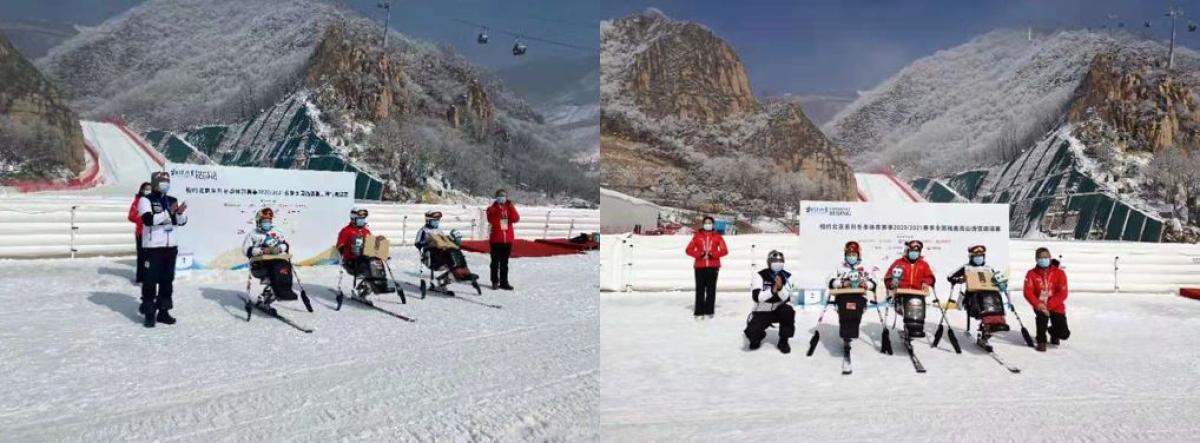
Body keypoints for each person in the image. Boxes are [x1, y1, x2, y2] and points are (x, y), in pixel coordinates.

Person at [137, 172, 187, 328]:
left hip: (170, 247)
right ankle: (149, 312)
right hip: (152, 248)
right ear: (155, 183)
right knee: (150, 281)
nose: (166, 183)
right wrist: (168, 212)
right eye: (162, 181)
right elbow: (148, 220)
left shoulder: (172, 200)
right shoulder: (146, 200)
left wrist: (179, 213)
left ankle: (163, 311)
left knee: (167, 281)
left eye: (167, 181)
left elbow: (181, 222)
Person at [946, 245, 1011, 348]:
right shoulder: (966, 267)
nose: (979, 257)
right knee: (982, 297)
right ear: (971, 256)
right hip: (972, 297)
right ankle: (988, 324)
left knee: (996, 295)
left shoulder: (989, 269)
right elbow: (950, 277)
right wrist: (960, 280)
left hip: (989, 295)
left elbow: (997, 281)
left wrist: (1001, 284)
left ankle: (998, 322)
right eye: (976, 255)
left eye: (981, 255)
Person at [744, 250, 797, 354]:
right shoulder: (759, 275)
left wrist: (781, 287)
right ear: (769, 262)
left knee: (788, 310)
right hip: (762, 310)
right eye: (774, 260)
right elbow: (757, 297)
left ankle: (783, 341)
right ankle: (759, 335)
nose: (778, 262)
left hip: (778, 309)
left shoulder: (788, 276)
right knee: (752, 335)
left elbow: (788, 298)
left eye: (780, 260)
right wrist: (772, 291)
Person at [826, 241, 875, 350]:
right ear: (845, 255)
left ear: (858, 255)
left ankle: (851, 333)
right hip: (843, 296)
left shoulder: (864, 267)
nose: (851, 257)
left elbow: (873, 283)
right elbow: (829, 281)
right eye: (849, 255)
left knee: (855, 311)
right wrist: (842, 283)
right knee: (846, 310)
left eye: (854, 255)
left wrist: (865, 284)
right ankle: (845, 335)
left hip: (859, 296)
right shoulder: (839, 266)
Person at [242, 207, 297, 303]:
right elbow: (245, 249)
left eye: (269, 221)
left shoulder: (276, 232)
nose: (267, 223)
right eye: (264, 221)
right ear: (259, 221)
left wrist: (279, 248)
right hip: (260, 265)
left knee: (285, 266)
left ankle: (286, 291)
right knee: (275, 268)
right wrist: (261, 250)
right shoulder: (253, 234)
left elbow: (285, 245)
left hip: (276, 261)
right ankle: (276, 292)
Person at [884, 240, 935, 338]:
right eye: (912, 250)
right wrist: (892, 284)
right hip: (902, 294)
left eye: (917, 251)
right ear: (907, 251)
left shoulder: (923, 264)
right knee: (908, 305)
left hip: (918, 294)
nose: (914, 253)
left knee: (918, 305)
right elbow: (888, 277)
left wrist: (926, 282)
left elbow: (930, 277)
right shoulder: (899, 263)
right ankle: (908, 326)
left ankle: (917, 327)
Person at [336, 206, 391, 295]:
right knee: (369, 262)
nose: (362, 220)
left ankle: (381, 284)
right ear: (353, 218)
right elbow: (339, 244)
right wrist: (342, 250)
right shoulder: (346, 231)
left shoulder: (366, 231)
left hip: (364, 259)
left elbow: (371, 245)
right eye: (359, 218)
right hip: (352, 262)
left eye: (363, 218)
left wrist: (379, 246)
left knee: (376, 260)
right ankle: (372, 285)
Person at [1023, 247, 1070, 352]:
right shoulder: (1031, 274)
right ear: (1036, 259)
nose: (1043, 259)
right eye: (1040, 258)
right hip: (1040, 304)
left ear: (1050, 257)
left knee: (1064, 333)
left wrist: (1048, 306)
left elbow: (1063, 292)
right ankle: (1041, 340)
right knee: (1041, 319)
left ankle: (1053, 333)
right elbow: (1028, 292)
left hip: (1056, 305)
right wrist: (1039, 305)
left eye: (1045, 257)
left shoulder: (1059, 273)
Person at [416, 211, 477, 287]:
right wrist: (428, 243)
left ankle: (465, 273)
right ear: (428, 220)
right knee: (451, 252)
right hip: (432, 257)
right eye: (434, 220)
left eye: (438, 220)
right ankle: (459, 275)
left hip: (442, 254)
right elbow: (417, 243)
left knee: (456, 251)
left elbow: (443, 241)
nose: (437, 222)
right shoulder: (423, 231)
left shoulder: (438, 230)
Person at [685, 216, 727, 318]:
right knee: (700, 289)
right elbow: (688, 250)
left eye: (710, 223)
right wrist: (701, 254)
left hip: (713, 266)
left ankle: (709, 310)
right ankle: (699, 310)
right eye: (706, 222)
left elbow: (724, 250)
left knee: (711, 289)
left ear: (713, 224)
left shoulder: (717, 236)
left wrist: (712, 254)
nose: (708, 224)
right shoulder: (697, 236)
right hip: (699, 266)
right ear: (703, 224)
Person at [486, 188, 519, 290]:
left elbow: (515, 218)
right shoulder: (491, 209)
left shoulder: (508, 207)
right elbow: (493, 221)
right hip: (496, 240)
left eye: (504, 196)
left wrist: (511, 206)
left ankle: (504, 282)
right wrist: (499, 211)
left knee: (505, 263)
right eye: (500, 195)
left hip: (507, 240)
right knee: (495, 262)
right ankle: (495, 281)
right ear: (496, 197)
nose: (502, 197)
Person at [127, 182, 151, 285]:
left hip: (152, 234)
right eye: (146, 189)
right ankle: (140, 278)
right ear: (142, 190)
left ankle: (150, 276)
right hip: (141, 233)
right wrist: (143, 220)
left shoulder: (153, 200)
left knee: (151, 256)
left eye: (150, 189)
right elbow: (131, 216)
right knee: (142, 256)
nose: (148, 191)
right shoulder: (137, 201)